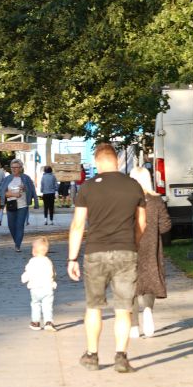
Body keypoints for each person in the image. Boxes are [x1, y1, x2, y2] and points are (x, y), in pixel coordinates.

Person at [67, 144, 146, 373]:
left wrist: (72, 258)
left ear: (98, 161)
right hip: (126, 251)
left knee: (94, 307)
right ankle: (121, 356)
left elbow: (78, 225)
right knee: (124, 308)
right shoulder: (134, 186)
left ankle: (92, 355)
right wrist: (134, 245)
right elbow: (142, 223)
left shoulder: (88, 188)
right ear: (117, 161)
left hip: (96, 252)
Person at [129, 167, 171, 338]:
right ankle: (148, 311)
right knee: (150, 279)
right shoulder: (156, 200)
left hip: (131, 244)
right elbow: (166, 225)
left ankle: (133, 325)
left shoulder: (127, 200)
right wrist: (154, 230)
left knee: (131, 282)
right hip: (152, 246)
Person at [20, 236, 57, 331]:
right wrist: (53, 281)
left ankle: (35, 322)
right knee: (47, 305)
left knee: (35, 304)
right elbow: (53, 273)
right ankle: (48, 321)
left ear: (34, 250)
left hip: (35, 288)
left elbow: (28, 272)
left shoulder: (32, 261)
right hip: (47, 288)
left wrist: (24, 278)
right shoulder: (48, 261)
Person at [0, 160, 36, 251]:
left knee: (20, 225)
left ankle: (17, 245)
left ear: (20, 168)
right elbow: (3, 193)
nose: (14, 169)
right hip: (11, 204)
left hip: (22, 205)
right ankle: (17, 241)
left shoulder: (26, 178)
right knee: (11, 225)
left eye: (16, 167)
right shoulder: (7, 179)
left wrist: (25, 188)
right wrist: (13, 195)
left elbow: (31, 191)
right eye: (12, 167)